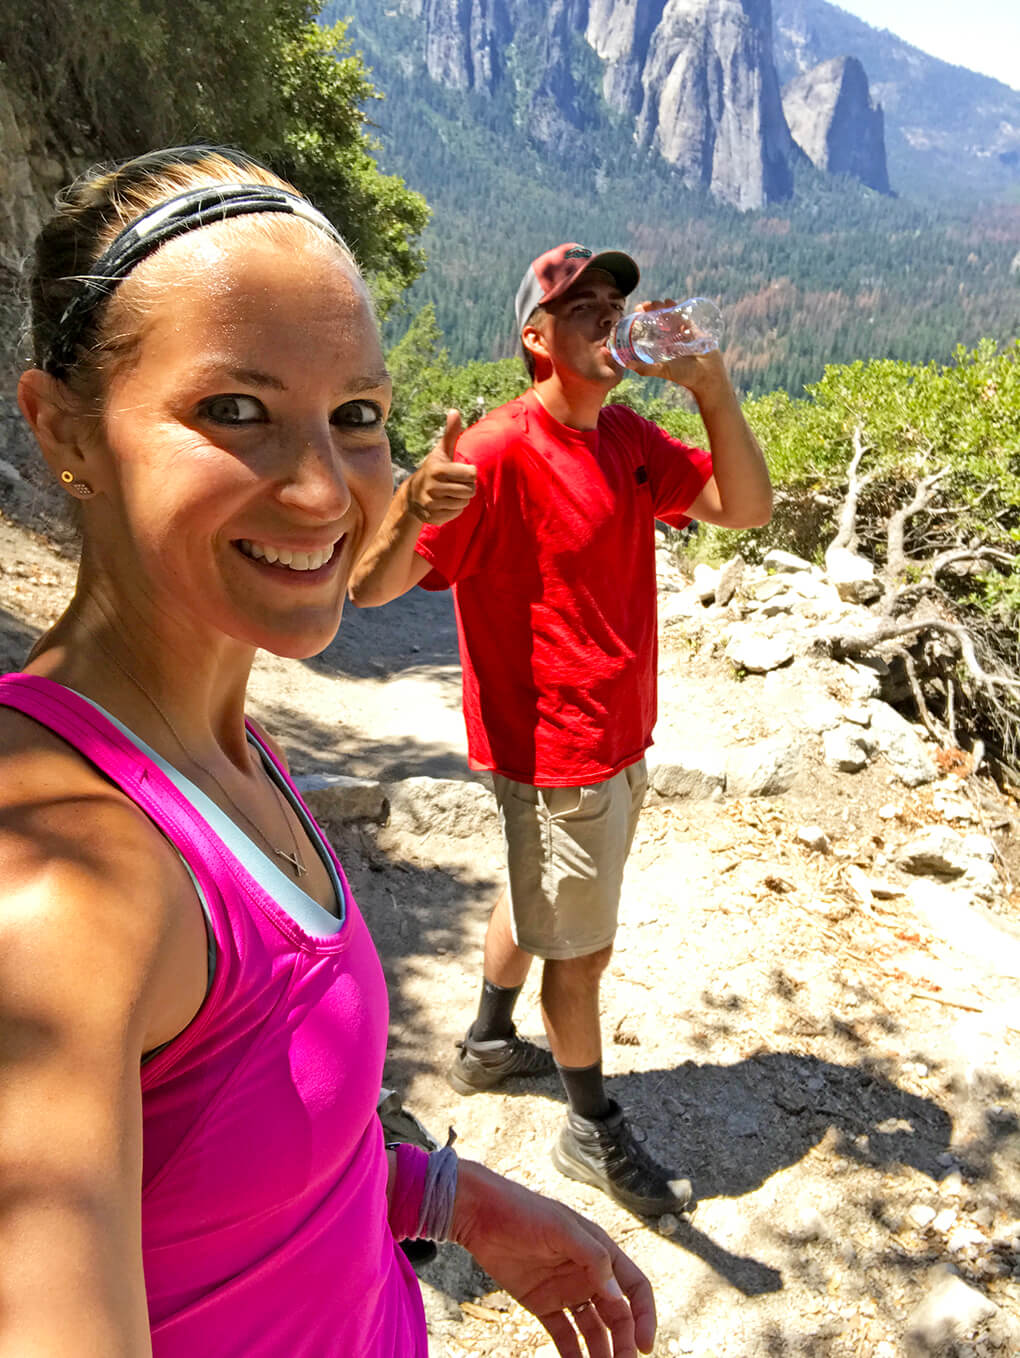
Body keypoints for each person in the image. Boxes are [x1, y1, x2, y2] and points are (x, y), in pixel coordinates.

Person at [0, 152, 658, 1358]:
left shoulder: (220, 747)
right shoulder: (58, 887)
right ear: (63, 430)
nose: (320, 487)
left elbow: (220, 1150)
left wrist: (447, 1197)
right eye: (234, 410)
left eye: (356, 416)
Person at [350, 242, 773, 1218]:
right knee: (579, 959)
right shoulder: (496, 452)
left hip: (618, 740)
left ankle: (489, 1044)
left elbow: (744, 507)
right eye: (581, 304)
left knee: (532, 892)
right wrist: (415, 500)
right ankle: (591, 1129)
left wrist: (711, 386)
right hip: (555, 754)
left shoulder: (625, 438)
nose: (609, 314)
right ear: (536, 337)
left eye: (615, 300)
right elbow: (372, 589)